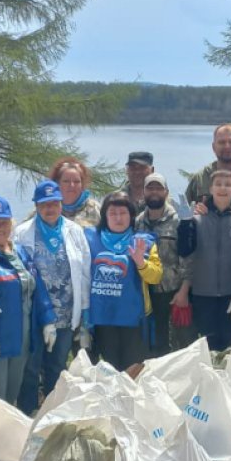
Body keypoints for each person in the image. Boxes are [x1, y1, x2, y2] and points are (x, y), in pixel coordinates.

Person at [0, 196, 56, 409]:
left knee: (9, 399)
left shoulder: (19, 252)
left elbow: (36, 286)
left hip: (20, 339)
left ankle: (5, 441)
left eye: (4, 222)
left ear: (11, 224)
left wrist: (48, 319)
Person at [13, 181, 91, 413]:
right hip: (34, 315)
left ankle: (52, 415)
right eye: (44, 204)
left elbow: (85, 272)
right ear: (36, 206)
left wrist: (85, 313)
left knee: (57, 368)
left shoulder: (74, 231)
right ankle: (27, 414)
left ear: (61, 204)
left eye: (55, 203)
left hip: (66, 316)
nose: (50, 209)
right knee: (30, 368)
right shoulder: (21, 233)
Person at [176, 169, 231, 351]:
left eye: (228, 184)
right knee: (208, 349)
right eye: (218, 184)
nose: (223, 188)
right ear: (210, 188)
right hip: (203, 296)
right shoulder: (197, 217)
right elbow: (184, 250)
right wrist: (184, 223)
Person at [85, 192, 163, 370]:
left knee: (133, 371)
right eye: (113, 213)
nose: (118, 218)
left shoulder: (143, 241)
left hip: (133, 320)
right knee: (108, 371)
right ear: (104, 216)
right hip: (102, 320)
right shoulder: (89, 238)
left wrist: (141, 263)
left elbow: (156, 276)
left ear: (132, 215)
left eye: (123, 213)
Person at [135, 173, 188, 356]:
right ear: (143, 192)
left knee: (175, 346)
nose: (154, 192)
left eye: (159, 188)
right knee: (151, 343)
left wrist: (184, 291)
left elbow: (189, 257)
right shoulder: (138, 221)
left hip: (172, 292)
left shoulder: (178, 220)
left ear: (166, 192)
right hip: (146, 293)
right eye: (150, 188)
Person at [51, 156, 102, 227]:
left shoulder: (95, 209)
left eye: (76, 181)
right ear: (57, 183)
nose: (72, 185)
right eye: (66, 181)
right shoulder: (47, 208)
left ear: (82, 184)